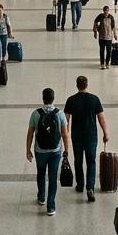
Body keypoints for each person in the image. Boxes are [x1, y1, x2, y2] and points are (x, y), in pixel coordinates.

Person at [63, 76, 108, 201]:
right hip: (91, 136)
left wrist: (66, 134)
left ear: (77, 85)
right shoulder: (94, 99)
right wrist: (106, 133)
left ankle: (80, 185)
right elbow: (101, 118)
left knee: (78, 161)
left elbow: (66, 120)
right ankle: (90, 188)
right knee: (91, 161)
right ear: (87, 85)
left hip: (77, 136)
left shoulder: (71, 100)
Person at [26, 87, 69, 216]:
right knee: (52, 177)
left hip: (40, 150)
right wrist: (66, 150)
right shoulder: (60, 114)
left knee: (41, 173)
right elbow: (65, 134)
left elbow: (30, 133)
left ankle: (41, 197)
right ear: (53, 99)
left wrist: (28, 150)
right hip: (55, 151)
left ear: (43, 99)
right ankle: (51, 206)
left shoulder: (36, 114)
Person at [93, 5, 118, 70]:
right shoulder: (100, 16)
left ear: (108, 11)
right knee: (102, 50)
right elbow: (95, 22)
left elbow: (113, 26)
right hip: (102, 37)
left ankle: (107, 63)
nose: (106, 12)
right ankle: (102, 63)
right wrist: (95, 31)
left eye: (107, 11)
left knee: (109, 51)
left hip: (109, 37)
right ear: (103, 11)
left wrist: (115, 34)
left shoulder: (111, 17)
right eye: (105, 11)